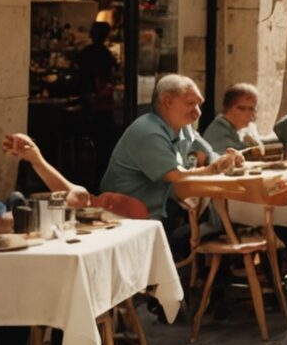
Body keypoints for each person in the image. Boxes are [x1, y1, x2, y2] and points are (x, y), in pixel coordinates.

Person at [98, 76, 242, 250]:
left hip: (160, 212)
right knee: (217, 223)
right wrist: (212, 169)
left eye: (199, 104)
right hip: (126, 219)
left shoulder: (184, 126)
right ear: (167, 102)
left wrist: (228, 159)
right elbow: (175, 176)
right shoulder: (148, 131)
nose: (198, 112)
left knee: (222, 221)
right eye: (190, 104)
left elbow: (209, 153)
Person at [201, 83, 264, 155]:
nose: (248, 114)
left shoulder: (250, 127)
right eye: (241, 108)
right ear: (228, 108)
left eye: (252, 109)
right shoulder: (217, 132)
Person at [73, 21, 120, 111]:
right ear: (105, 35)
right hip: (97, 97)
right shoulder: (104, 53)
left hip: (84, 93)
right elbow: (101, 77)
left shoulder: (86, 51)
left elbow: (77, 66)